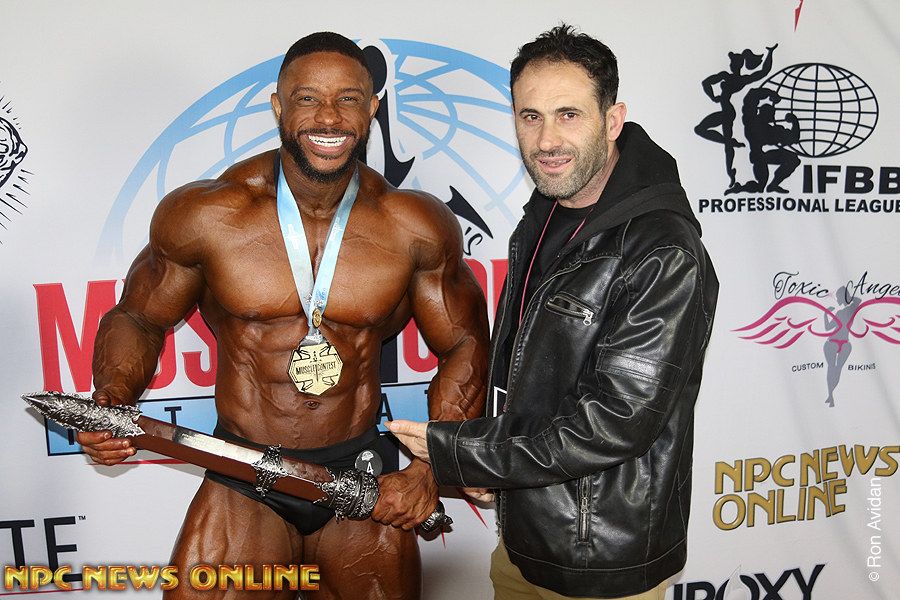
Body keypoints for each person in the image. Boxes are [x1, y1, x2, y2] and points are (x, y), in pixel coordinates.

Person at [77, 32, 489, 600]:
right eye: (307, 99)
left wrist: (431, 468)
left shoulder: (413, 225)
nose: (329, 117)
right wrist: (112, 399)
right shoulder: (207, 215)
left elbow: (465, 342)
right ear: (278, 106)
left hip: (358, 478)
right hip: (243, 474)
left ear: (372, 109)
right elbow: (139, 317)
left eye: (348, 99)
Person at [388, 25, 719, 600]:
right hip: (522, 538)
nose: (546, 139)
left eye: (569, 115)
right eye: (530, 116)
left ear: (612, 120)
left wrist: (467, 455)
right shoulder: (543, 215)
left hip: (600, 559)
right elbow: (528, 373)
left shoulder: (661, 249)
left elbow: (615, 421)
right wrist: (494, 469)